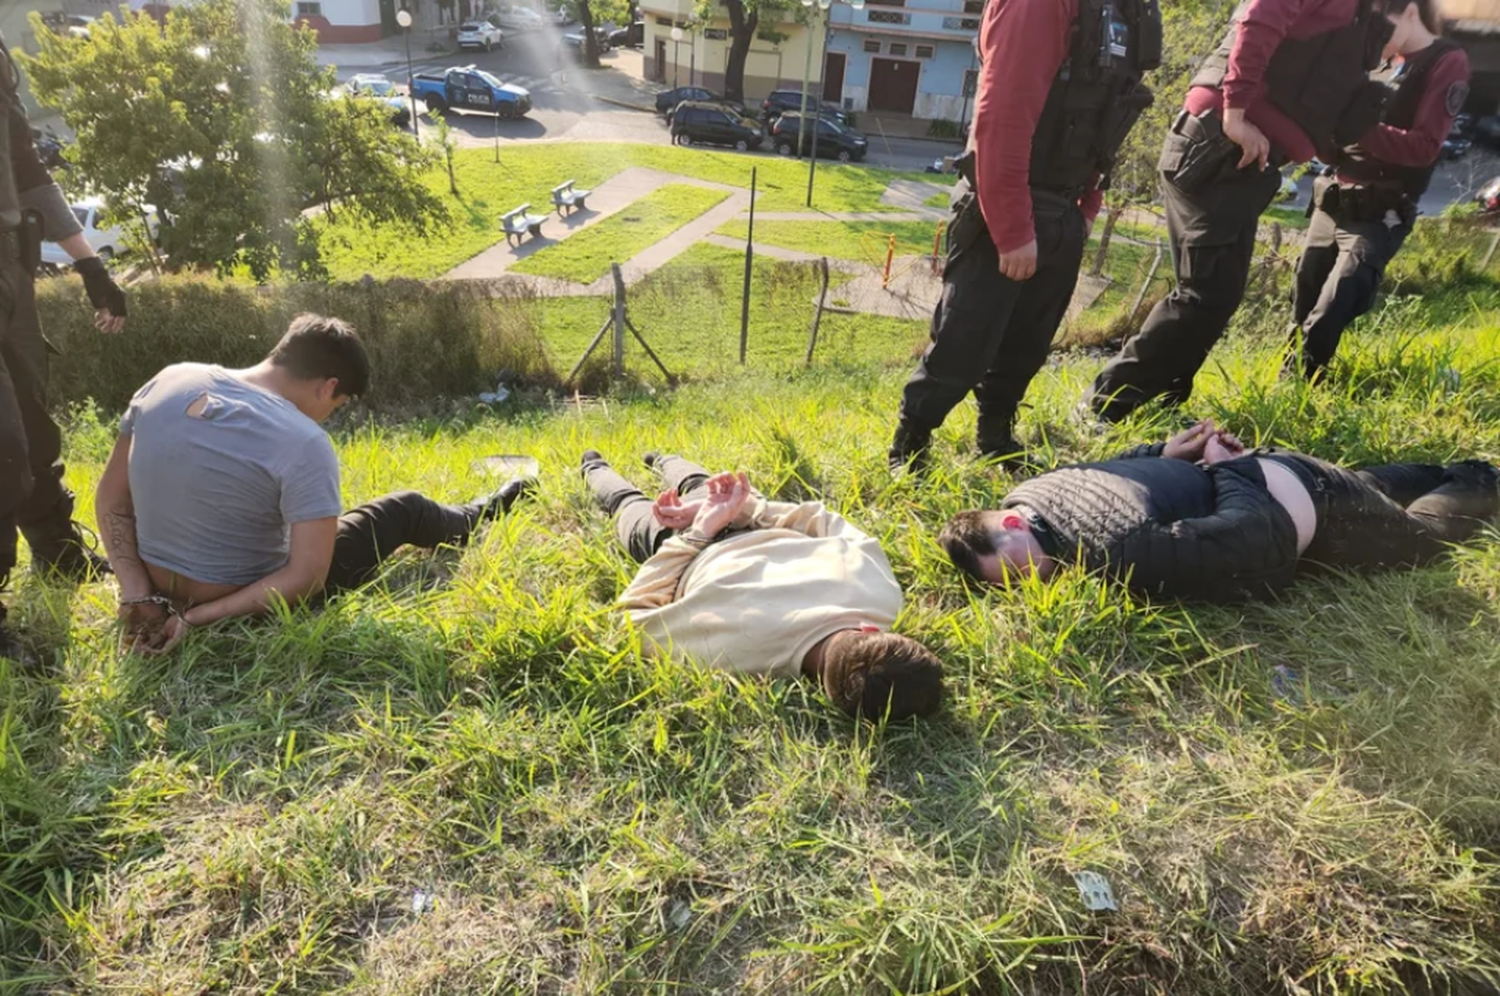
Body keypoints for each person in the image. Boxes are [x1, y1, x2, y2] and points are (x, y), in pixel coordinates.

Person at [94, 314, 534, 656]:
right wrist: (197, 619)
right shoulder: (304, 442)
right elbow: (306, 578)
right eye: (337, 407)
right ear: (329, 388)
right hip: (240, 597)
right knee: (405, 509)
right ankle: (483, 510)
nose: (328, 416)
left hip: (151, 583)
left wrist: (137, 592)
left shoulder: (167, 380)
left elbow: (112, 500)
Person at [1086, 0, 1396, 421]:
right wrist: (1234, 113)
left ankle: (1160, 405)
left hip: (1249, 161)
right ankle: (1103, 406)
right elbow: (1260, 17)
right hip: (1218, 145)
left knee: (1219, 295)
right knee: (1203, 294)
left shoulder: (1362, 15)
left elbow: (1315, 91)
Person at [887, 0, 1161, 471]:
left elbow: (1110, 113)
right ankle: (910, 445)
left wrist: (1087, 205)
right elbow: (1003, 117)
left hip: (1067, 205)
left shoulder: (1128, 10)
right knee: (964, 340)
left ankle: (994, 436)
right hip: (1006, 203)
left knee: (1029, 343)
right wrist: (1013, 228)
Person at [940, 419, 1499, 602]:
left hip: (1300, 501)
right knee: (1364, 485)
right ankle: (1450, 469)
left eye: (1021, 570)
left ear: (1010, 521)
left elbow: (1259, 538)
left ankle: (1483, 477)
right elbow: (1115, 465)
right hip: (1282, 474)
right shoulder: (1036, 489)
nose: (1036, 581)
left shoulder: (1121, 552)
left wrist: (1229, 468)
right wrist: (1165, 453)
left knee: (1422, 539)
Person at [582, 449, 944, 721]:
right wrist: (726, 517)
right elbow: (632, 620)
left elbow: (820, 518)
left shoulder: (881, 596)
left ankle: (635, 460)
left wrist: (717, 520)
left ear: (870, 630)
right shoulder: (732, 659)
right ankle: (601, 465)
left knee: (686, 486)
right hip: (702, 537)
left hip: (710, 535)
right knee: (630, 503)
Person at [0, 32, 129, 660]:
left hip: (8, 272)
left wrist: (90, 268)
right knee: (1, 439)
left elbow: (24, 166)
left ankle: (58, 557)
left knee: (30, 416)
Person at [1289, 0, 1468, 381]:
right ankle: (1287, 384)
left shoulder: (1445, 61)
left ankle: (1300, 388)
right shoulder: (1381, 60)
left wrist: (1362, 131)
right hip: (1333, 196)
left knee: (1337, 301)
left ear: (1409, 12)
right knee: (1303, 298)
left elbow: (1424, 147)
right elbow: (1337, 132)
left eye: (1377, 25)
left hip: (1381, 208)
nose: (1371, 37)